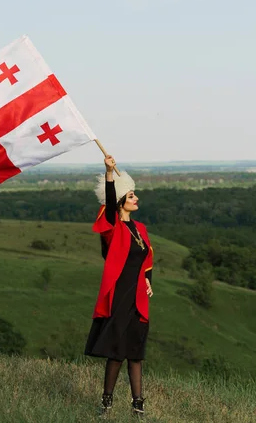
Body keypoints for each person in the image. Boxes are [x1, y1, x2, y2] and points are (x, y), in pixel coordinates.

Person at [85, 155, 154, 418]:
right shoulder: (113, 228)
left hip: (138, 298)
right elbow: (110, 210)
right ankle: (106, 403)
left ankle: (138, 406)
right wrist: (109, 175)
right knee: (116, 353)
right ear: (121, 201)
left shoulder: (141, 228)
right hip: (119, 298)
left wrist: (148, 282)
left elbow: (146, 260)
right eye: (132, 196)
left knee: (135, 354)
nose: (137, 199)